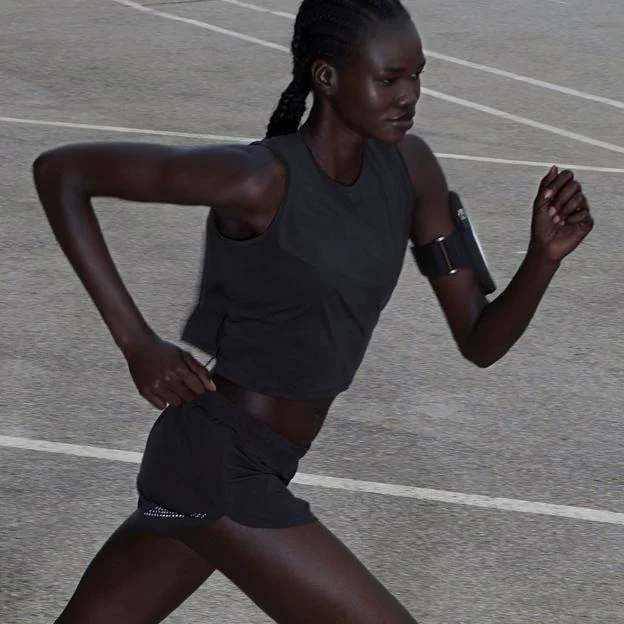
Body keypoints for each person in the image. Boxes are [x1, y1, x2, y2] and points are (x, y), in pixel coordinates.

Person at [32, 0, 594, 622]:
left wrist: (543, 258)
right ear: (327, 77)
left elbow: (479, 339)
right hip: (217, 465)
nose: (408, 96)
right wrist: (137, 342)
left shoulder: (413, 171)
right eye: (389, 79)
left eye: (416, 76)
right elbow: (62, 173)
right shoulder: (256, 179)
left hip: (259, 464)